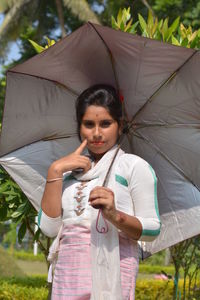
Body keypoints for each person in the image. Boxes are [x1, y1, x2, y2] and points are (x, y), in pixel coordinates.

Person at [38, 84, 161, 300]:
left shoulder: (132, 166)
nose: (96, 133)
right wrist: (55, 170)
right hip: (68, 279)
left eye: (105, 124)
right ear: (79, 127)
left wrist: (115, 215)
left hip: (113, 278)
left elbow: (152, 229)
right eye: (88, 124)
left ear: (119, 125)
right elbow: (49, 228)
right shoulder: (67, 174)